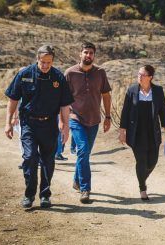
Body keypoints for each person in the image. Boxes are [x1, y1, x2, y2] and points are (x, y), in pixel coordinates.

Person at [4, 45, 74, 208]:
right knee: (29, 157)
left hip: (50, 124)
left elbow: (65, 105)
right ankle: (29, 195)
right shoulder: (24, 74)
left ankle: (45, 195)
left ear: (53, 61)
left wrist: (65, 127)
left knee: (48, 160)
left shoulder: (58, 77)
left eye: (48, 63)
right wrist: (8, 122)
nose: (45, 66)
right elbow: (13, 99)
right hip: (29, 123)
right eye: (42, 62)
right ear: (37, 59)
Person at [65, 41, 112, 204]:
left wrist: (108, 117)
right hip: (75, 118)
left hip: (94, 120)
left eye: (91, 53)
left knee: (84, 153)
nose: (88, 55)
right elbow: (63, 99)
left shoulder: (100, 72)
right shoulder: (70, 73)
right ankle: (85, 189)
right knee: (83, 150)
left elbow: (106, 95)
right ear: (80, 54)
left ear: (94, 55)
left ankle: (77, 180)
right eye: (85, 52)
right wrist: (62, 120)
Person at [119, 65, 165, 201]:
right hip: (136, 132)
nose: (139, 76)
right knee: (141, 161)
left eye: (142, 75)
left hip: (153, 131)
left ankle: (141, 176)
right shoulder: (132, 90)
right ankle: (142, 187)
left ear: (150, 77)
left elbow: (162, 112)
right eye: (139, 74)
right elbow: (125, 112)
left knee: (152, 162)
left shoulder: (158, 91)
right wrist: (122, 131)